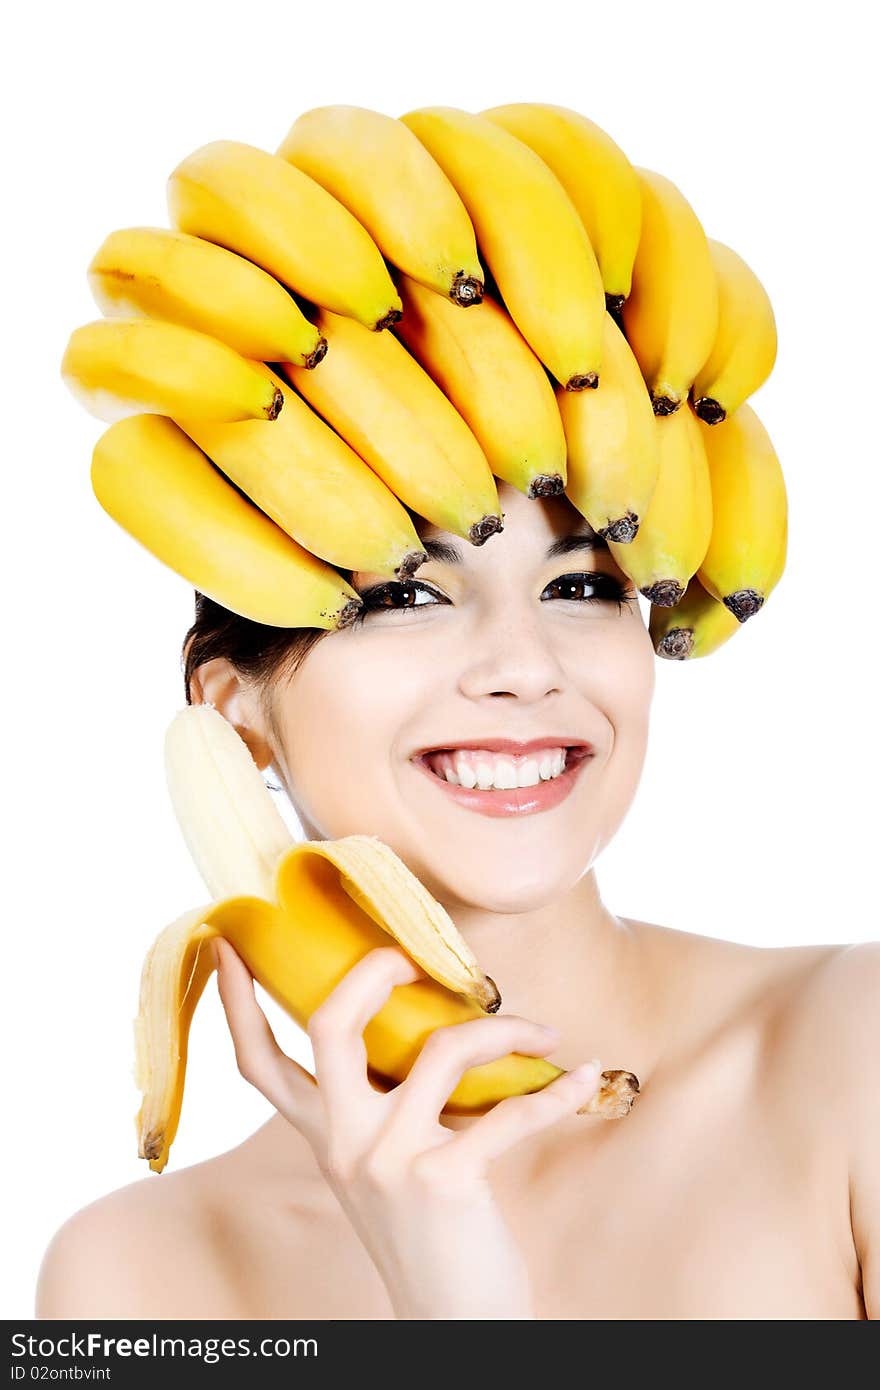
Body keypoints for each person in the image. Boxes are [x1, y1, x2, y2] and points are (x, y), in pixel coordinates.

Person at [35, 479, 878, 1320]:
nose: (525, 667)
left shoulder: (852, 1049)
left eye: (580, 587)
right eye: (406, 594)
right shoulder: (132, 1275)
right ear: (233, 711)